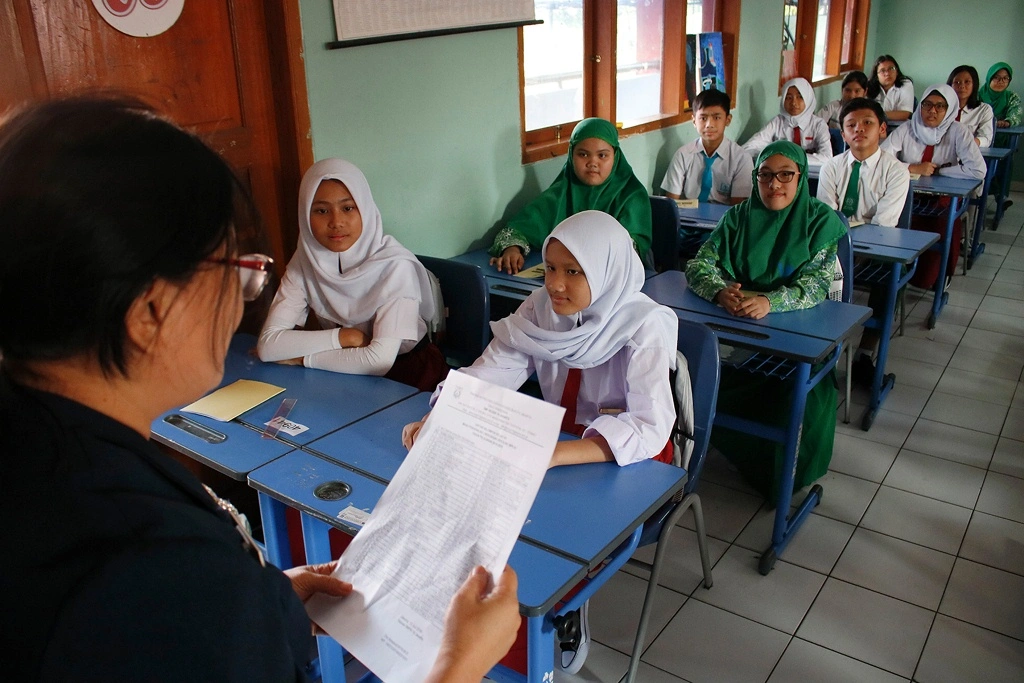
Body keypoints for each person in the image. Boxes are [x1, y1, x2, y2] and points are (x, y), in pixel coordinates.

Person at [0, 96, 520, 682]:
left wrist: (267, 604)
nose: (244, 293)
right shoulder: (155, 568)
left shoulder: (45, 460)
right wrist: (457, 665)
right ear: (148, 310)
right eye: (232, 269)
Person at [405, 211, 679, 674]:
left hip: (627, 457)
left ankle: (567, 608)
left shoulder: (645, 324)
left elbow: (651, 427)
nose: (555, 284)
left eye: (574, 272)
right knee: (492, 506)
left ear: (606, 272)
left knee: (559, 532)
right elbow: (492, 371)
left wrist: (554, 454)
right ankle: (487, 610)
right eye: (551, 268)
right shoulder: (540, 309)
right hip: (558, 440)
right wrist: (443, 411)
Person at [686, 141, 846, 502]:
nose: (775, 184)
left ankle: (781, 480)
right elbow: (698, 264)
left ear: (801, 177)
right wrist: (719, 292)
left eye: (785, 175)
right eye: (765, 175)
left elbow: (814, 287)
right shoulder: (739, 217)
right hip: (739, 328)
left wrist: (767, 301)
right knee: (691, 370)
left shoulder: (820, 222)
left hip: (796, 336)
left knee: (791, 397)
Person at [257, 158, 448, 392]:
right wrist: (347, 337)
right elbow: (267, 346)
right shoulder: (305, 262)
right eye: (321, 211)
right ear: (305, 215)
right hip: (342, 372)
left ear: (365, 210)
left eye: (348, 208)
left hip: (409, 379)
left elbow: (379, 360)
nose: (336, 222)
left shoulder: (395, 266)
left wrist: (301, 359)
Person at [816, 98, 910, 380]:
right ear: (842, 133)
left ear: (882, 129)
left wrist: (849, 238)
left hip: (877, 250)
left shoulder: (896, 171)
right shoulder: (831, 167)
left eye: (867, 123)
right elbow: (827, 216)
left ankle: (865, 352)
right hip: (834, 246)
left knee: (887, 279)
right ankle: (821, 344)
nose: (859, 129)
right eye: (851, 125)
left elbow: (883, 224)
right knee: (810, 272)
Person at [488, 118, 652, 274]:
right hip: (561, 285)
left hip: (616, 284)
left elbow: (631, 249)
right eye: (583, 154)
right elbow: (516, 230)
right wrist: (512, 250)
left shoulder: (631, 196)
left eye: (602, 155)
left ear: (615, 156)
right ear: (571, 155)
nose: (592, 162)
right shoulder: (559, 194)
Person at [881, 84, 986, 290]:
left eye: (940, 106)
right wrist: (911, 166)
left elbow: (977, 171)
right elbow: (882, 158)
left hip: (942, 200)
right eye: (927, 105)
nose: (932, 111)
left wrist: (940, 172)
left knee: (939, 231)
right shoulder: (908, 128)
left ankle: (939, 275)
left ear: (950, 110)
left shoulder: (959, 132)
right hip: (907, 195)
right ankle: (893, 273)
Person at [660, 88, 754, 257]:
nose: (709, 124)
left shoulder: (741, 158)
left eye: (717, 117)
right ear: (694, 121)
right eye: (703, 118)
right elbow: (670, 203)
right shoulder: (683, 154)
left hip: (720, 227)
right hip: (686, 224)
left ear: (728, 119)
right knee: (663, 238)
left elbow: (736, 210)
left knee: (711, 247)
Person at [743, 77, 833, 167]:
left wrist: (790, 158)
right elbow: (749, 148)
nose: (794, 103)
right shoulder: (777, 122)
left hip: (811, 177)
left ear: (808, 98)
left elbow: (826, 157)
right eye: (789, 97)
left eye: (800, 97)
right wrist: (774, 155)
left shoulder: (818, 125)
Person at [947, 65, 995, 147]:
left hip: (969, 153)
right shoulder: (941, 108)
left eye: (967, 82)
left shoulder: (984, 110)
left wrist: (967, 142)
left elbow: (986, 139)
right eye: (957, 82)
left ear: (974, 85)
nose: (962, 86)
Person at [867, 55, 915, 122]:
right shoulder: (869, 86)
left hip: (898, 127)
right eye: (882, 70)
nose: (887, 73)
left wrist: (877, 115)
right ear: (876, 76)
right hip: (876, 125)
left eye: (891, 69)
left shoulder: (906, 84)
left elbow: (905, 114)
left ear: (897, 71)